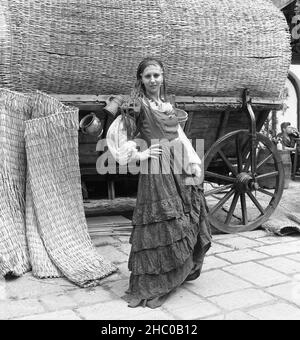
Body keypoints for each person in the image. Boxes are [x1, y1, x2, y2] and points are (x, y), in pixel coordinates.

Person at [107, 58, 211, 309]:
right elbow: (117, 135)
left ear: (163, 77)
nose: (153, 80)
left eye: (157, 75)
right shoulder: (136, 105)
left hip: (180, 163)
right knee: (163, 222)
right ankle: (157, 281)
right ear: (140, 79)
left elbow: (180, 136)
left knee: (186, 215)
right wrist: (139, 155)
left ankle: (179, 270)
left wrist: (194, 162)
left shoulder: (167, 105)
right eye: (148, 76)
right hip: (157, 169)